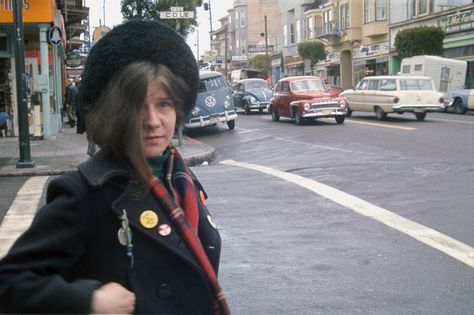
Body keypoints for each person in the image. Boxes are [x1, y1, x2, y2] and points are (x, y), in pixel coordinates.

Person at [0, 20, 230, 315]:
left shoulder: (182, 178)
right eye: (137, 106)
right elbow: (10, 282)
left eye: (164, 104)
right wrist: (89, 300)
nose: (152, 121)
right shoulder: (84, 194)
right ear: (116, 113)